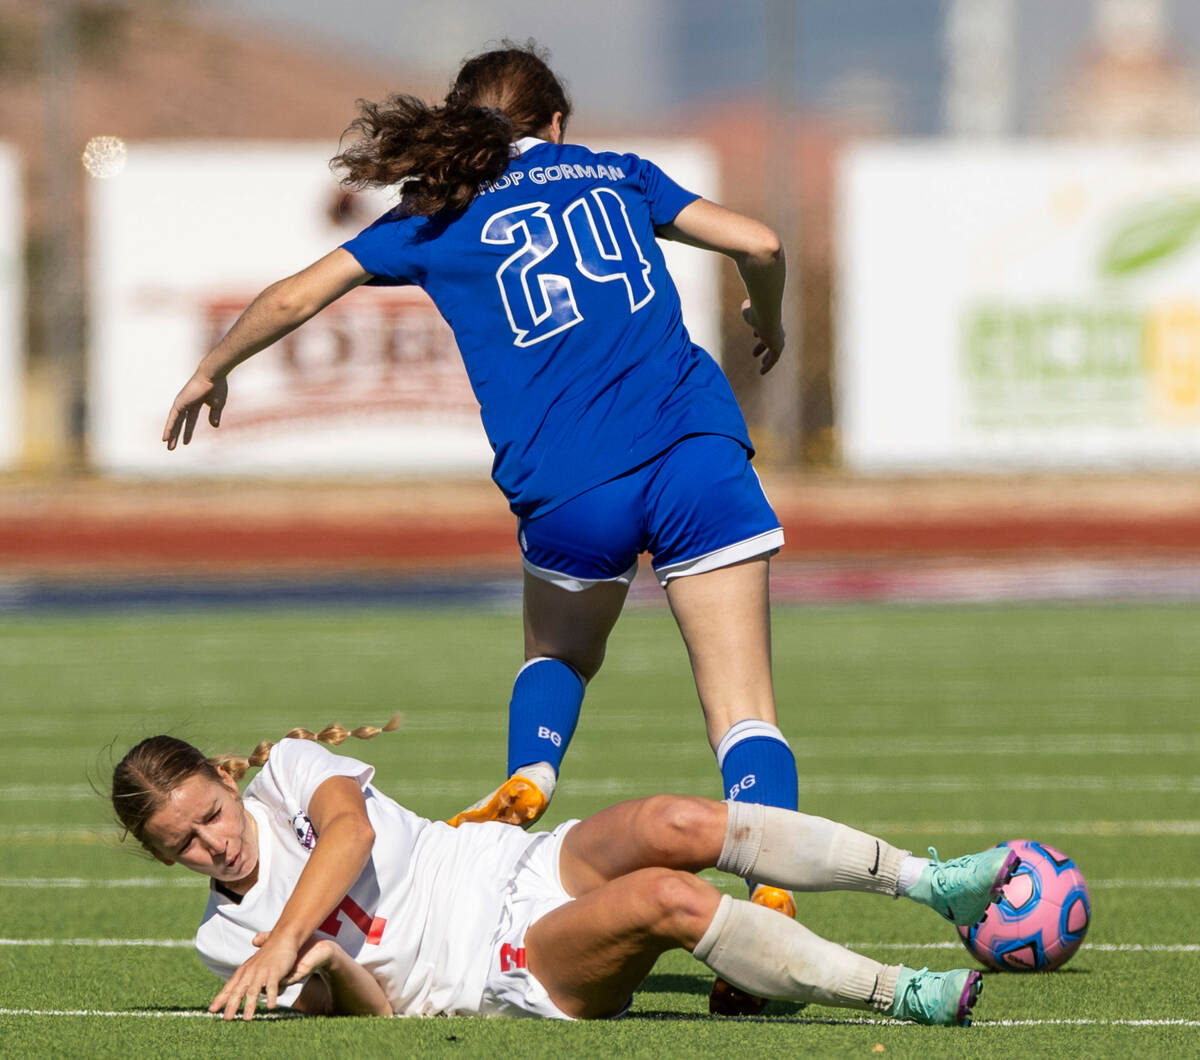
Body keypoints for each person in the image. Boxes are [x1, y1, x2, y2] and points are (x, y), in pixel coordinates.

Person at [164, 40, 794, 1012]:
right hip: (694, 452)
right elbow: (759, 241)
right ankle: (776, 904)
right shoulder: (618, 173)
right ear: (555, 124)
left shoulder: (436, 212)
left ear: (464, 126)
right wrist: (769, 314)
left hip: (570, 484)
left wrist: (215, 366)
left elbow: (295, 294)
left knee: (559, 654)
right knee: (743, 709)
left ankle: (527, 774)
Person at [110, 722, 1019, 1024]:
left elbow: (346, 837)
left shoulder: (292, 771)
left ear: (229, 780)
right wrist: (323, 966)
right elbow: (376, 1018)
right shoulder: (221, 942)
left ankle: (925, 881)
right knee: (668, 900)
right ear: (160, 858)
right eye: (182, 844)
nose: (213, 845)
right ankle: (896, 993)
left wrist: (283, 942)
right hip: (503, 961)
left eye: (211, 815)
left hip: (513, 859)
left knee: (678, 820)